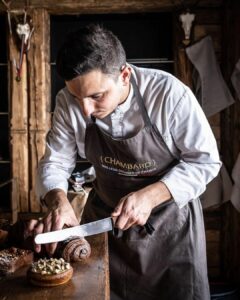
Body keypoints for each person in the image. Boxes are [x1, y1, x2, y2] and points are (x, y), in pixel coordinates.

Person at [31, 24, 221, 300]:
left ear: (125, 75)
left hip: (172, 230)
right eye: (76, 96)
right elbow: (55, 163)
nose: (86, 110)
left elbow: (205, 162)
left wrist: (150, 195)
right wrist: (58, 200)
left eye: (97, 96)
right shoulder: (66, 102)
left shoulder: (169, 94)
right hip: (107, 226)